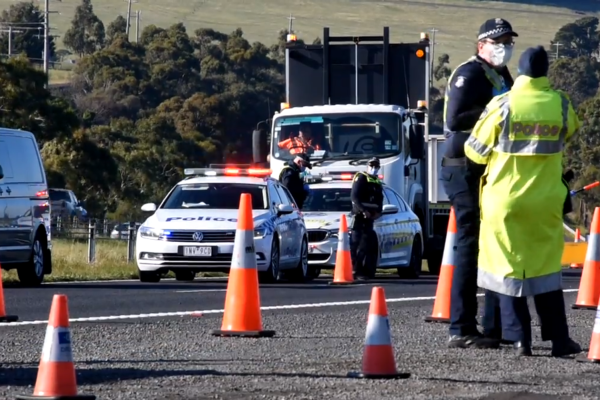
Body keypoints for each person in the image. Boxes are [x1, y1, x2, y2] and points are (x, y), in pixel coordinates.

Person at [464, 46, 582, 357]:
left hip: (504, 200)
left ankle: (520, 340)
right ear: (546, 71)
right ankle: (559, 340)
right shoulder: (560, 104)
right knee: (545, 270)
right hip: (546, 201)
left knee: (507, 268)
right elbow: (571, 131)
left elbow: (473, 150)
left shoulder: (502, 104)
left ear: (520, 71)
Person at [441, 17, 519, 349]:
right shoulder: (468, 73)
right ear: (481, 45)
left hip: (489, 168)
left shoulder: (501, 75)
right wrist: (494, 112)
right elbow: (455, 119)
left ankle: (494, 326)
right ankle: (461, 327)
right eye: (497, 41)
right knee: (469, 244)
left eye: (508, 41)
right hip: (462, 167)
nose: (504, 47)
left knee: (492, 242)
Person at [350, 157, 383, 280]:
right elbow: (355, 197)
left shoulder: (376, 181)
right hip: (359, 217)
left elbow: (380, 200)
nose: (373, 168)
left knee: (366, 246)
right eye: (371, 165)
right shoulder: (361, 178)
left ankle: (364, 271)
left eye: (376, 166)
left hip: (371, 218)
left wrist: (378, 212)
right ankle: (355, 270)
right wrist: (363, 211)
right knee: (356, 245)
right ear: (367, 166)